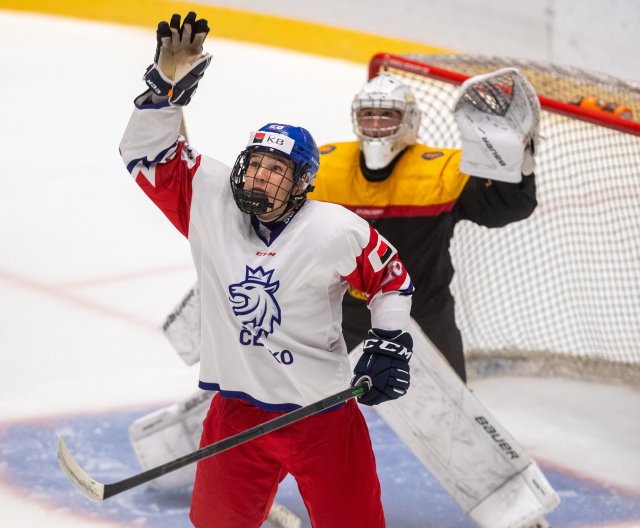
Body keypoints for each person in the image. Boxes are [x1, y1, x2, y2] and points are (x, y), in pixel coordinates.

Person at [119, 12, 415, 528]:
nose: (259, 174)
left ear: (302, 182)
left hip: (321, 413)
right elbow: (143, 153)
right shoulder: (210, 202)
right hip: (235, 413)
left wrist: (390, 341)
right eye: (254, 162)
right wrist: (165, 86)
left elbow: (391, 279)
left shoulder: (334, 229)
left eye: (275, 169)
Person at [309, 71, 539, 382]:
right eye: (368, 115)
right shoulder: (325, 166)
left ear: (410, 120)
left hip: (424, 316)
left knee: (452, 415)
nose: (376, 125)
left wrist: (518, 159)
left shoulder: (441, 171)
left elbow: (503, 210)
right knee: (315, 401)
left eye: (387, 115)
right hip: (343, 313)